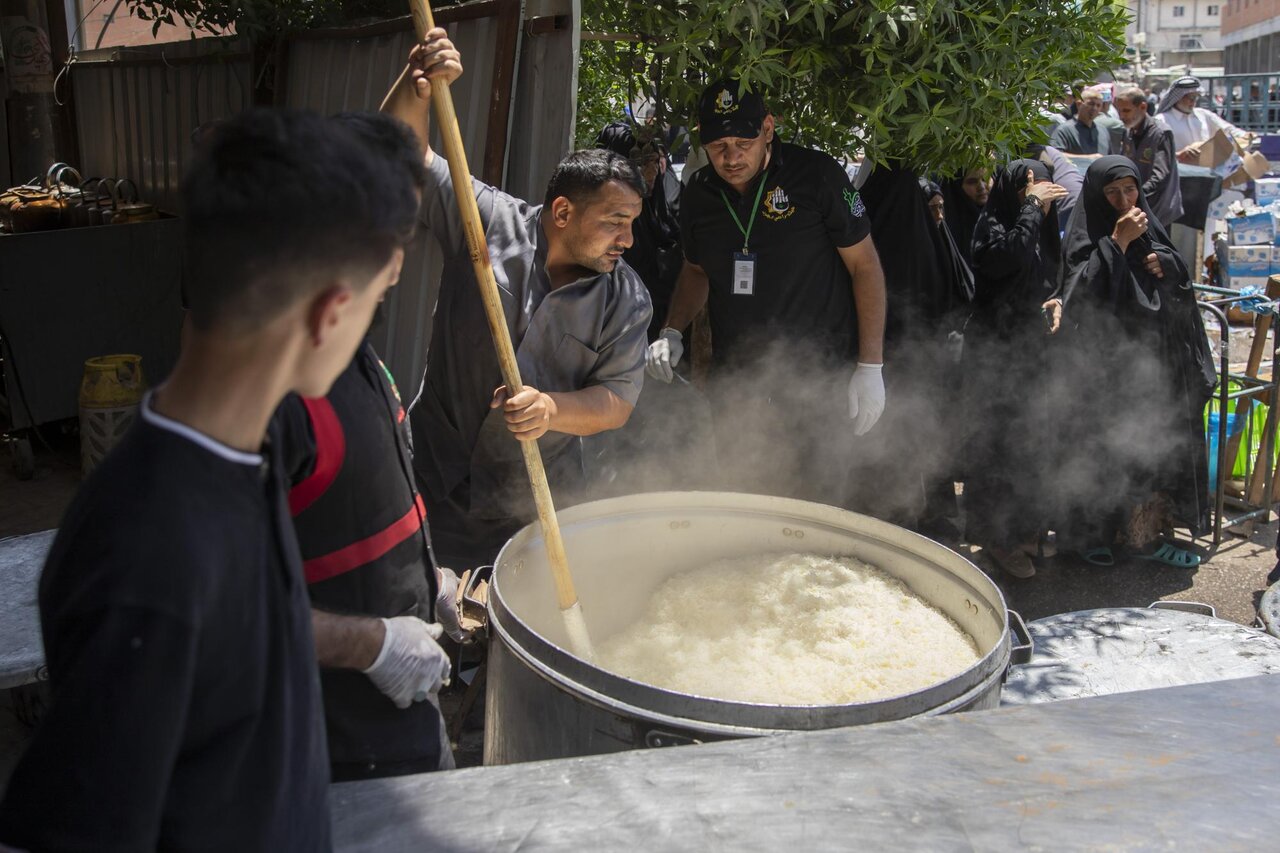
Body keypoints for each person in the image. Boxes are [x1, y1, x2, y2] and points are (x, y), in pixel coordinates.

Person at [0, 109, 417, 849]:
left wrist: (371, 638)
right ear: (328, 315)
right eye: (378, 299)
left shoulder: (234, 464)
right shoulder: (151, 555)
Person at [385, 30, 652, 569]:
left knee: (515, 612)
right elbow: (403, 158)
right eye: (615, 222)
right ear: (563, 213)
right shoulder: (485, 222)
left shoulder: (626, 299)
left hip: (535, 503)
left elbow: (615, 402)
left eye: (632, 223)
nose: (627, 239)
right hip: (433, 473)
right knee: (422, 600)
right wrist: (417, 83)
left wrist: (551, 409)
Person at [272, 111, 460, 782]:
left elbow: (362, 504)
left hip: (403, 721)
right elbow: (218, 609)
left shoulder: (353, 351)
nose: (399, 263)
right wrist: (371, 644)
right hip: (328, 749)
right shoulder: (273, 396)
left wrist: (425, 579)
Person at [645, 78, 888, 508]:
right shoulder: (699, 192)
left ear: (768, 129)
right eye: (719, 146)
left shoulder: (816, 176)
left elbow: (864, 266)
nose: (732, 157)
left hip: (819, 378)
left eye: (744, 142)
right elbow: (696, 269)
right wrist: (673, 330)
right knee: (746, 500)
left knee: (816, 506)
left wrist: (870, 365)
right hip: (738, 381)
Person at [1052, 156, 1215, 568]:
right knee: (1099, 455)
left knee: (1146, 453)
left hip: (1151, 369)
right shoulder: (1087, 237)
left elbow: (1180, 291)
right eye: (1112, 192)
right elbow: (1079, 298)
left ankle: (1144, 538)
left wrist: (1170, 266)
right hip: (1102, 373)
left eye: (1130, 189)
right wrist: (1117, 243)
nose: (1124, 201)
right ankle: (1091, 537)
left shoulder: (1150, 228)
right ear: (1096, 196)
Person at [962, 160, 1069, 578]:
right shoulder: (992, 227)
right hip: (994, 355)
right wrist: (1031, 208)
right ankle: (998, 539)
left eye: (1042, 189)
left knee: (1031, 445)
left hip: (1031, 354)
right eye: (1027, 188)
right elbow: (1007, 259)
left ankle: (1026, 531)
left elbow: (1050, 276)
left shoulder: (1042, 227)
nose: (1036, 196)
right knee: (998, 447)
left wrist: (1057, 300)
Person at [596, 121, 684, 343]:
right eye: (639, 163)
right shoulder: (599, 226)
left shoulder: (665, 208)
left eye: (653, 160)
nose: (651, 171)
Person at [1116, 86, 1183, 228]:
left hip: (1158, 209)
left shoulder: (1160, 133)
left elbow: (1160, 175)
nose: (1121, 116)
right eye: (1119, 111)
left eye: (1126, 110)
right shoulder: (1129, 132)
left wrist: (1137, 194)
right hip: (1136, 206)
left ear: (1142, 107)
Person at [1157, 75, 1248, 164]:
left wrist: (1246, 135)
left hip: (1207, 170)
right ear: (1178, 98)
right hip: (1179, 170)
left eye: (1196, 97)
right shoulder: (1162, 120)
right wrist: (1178, 154)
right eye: (1190, 97)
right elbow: (1155, 151)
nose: (1193, 101)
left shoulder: (1204, 115)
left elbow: (1228, 129)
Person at [940, 166, 990, 268]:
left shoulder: (1000, 216)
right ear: (957, 186)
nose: (981, 186)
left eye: (985, 178)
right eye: (972, 182)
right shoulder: (948, 227)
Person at [1050, 86, 1112, 156]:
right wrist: (1088, 158)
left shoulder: (1103, 131)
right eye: (1091, 104)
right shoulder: (1064, 131)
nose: (1094, 108)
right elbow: (1055, 155)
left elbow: (1109, 157)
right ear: (1079, 104)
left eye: (1098, 105)